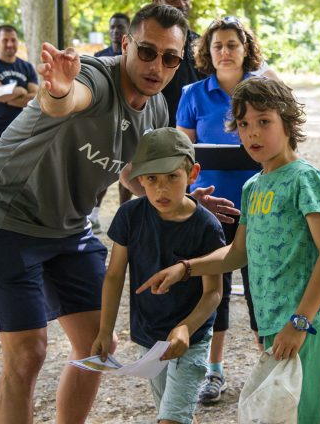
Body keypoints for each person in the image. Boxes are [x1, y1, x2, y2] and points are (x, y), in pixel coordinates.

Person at [0, 3, 236, 423]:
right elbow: (67, 100)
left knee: (98, 345)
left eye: (170, 58)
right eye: (147, 52)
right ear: (126, 44)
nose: (157, 66)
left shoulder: (156, 109)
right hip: (7, 214)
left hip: (69, 225)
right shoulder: (93, 75)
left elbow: (134, 174)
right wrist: (58, 90)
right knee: (27, 354)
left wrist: (183, 200)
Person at [140, 76, 320, 423]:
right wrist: (186, 268)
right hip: (271, 323)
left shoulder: (305, 180)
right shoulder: (252, 186)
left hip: (303, 321)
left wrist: (299, 321)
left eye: (264, 122)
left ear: (288, 122)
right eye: (244, 124)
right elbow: (236, 254)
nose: (252, 134)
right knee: (277, 413)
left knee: (303, 415)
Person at [92, 127, 224, 424]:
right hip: (149, 335)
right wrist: (104, 329)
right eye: (152, 179)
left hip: (193, 336)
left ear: (192, 174)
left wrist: (186, 328)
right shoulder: (129, 216)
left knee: (171, 418)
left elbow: (213, 293)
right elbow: (114, 276)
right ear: (139, 179)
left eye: (171, 177)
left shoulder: (206, 226)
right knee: (170, 410)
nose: (161, 189)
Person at [176, 15, 265, 404]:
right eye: (217, 46)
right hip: (211, 212)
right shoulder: (192, 94)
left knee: (263, 289)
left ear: (246, 49)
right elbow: (182, 154)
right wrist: (190, 196)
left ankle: (271, 367)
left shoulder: (265, 91)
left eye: (232, 44)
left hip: (260, 208)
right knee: (215, 290)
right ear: (207, 53)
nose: (225, 51)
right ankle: (214, 370)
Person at [90, 12, 132, 231]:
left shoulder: (135, 57)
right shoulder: (100, 56)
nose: (116, 31)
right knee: (103, 169)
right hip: (106, 121)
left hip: (130, 121)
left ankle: (124, 215)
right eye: (113, 27)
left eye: (120, 27)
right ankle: (93, 214)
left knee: (127, 168)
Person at [152, 0, 205, 126]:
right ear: (156, 2)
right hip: (157, 128)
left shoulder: (201, 44)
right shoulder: (146, 44)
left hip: (196, 132)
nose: (181, 4)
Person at [0, 24, 38, 152]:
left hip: (23, 132)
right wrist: (20, 91)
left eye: (13, 40)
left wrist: (6, 94)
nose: (10, 44)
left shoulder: (26, 67)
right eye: (5, 40)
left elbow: (36, 98)